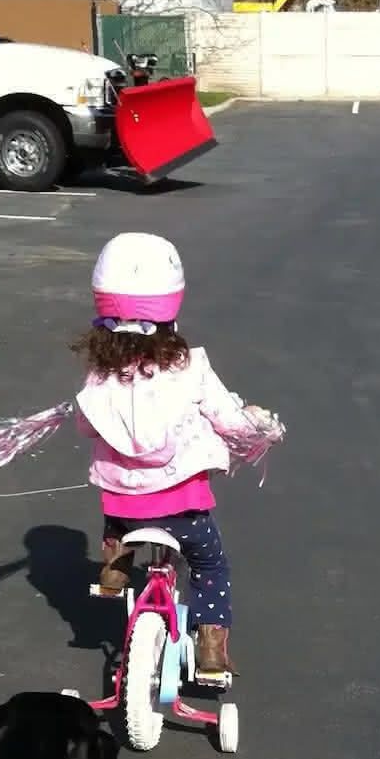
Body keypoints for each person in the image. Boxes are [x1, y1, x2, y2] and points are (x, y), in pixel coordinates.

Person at [74, 232, 256, 682]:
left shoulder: (101, 372)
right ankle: (211, 646)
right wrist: (256, 428)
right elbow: (228, 419)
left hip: (123, 508)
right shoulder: (190, 366)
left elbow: (84, 423)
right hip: (184, 506)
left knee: (119, 501)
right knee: (210, 565)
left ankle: (115, 564)